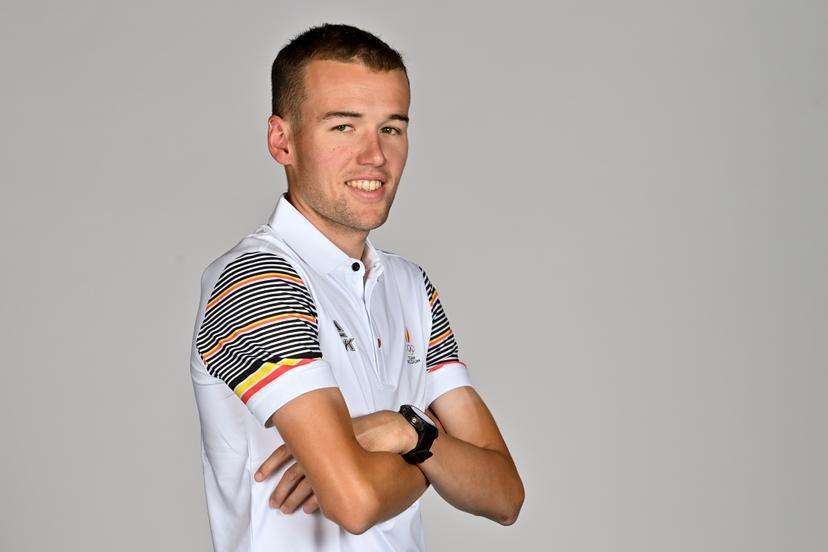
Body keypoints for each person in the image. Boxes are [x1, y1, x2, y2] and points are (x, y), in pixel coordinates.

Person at [190, 23, 524, 551]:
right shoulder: (257, 280)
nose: (374, 155)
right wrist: (431, 449)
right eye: (344, 127)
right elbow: (356, 502)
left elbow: (504, 494)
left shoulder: (411, 286)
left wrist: (404, 432)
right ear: (283, 140)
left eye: (391, 128)